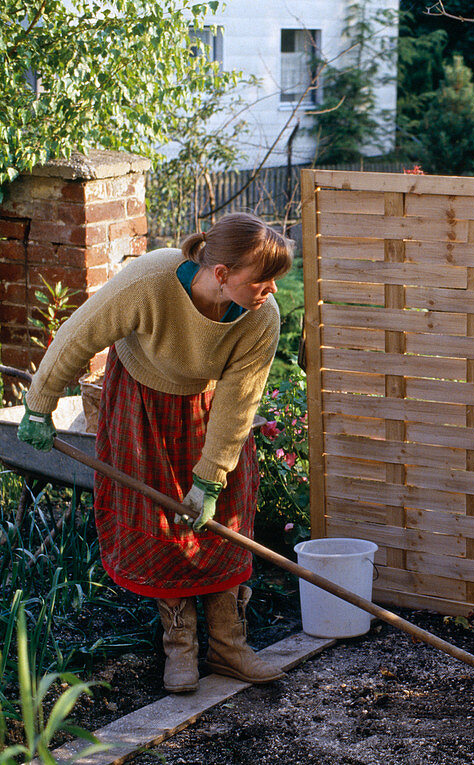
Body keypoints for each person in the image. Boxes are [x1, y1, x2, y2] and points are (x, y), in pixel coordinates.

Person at [18, 212, 293, 693]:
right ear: (223, 273)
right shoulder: (151, 279)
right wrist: (40, 404)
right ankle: (180, 646)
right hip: (142, 401)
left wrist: (209, 479)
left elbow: (240, 401)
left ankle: (229, 647)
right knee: (159, 520)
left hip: (209, 410)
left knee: (223, 520)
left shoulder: (261, 318)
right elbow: (79, 333)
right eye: (263, 280)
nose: (272, 291)